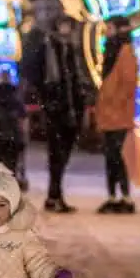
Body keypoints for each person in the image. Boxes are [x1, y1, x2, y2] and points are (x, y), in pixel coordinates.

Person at [34, 16, 92, 213]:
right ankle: (54, 195)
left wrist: (81, 100)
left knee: (64, 155)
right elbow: (39, 77)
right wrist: (48, 100)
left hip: (72, 110)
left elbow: (78, 79)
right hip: (56, 111)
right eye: (63, 25)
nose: (66, 29)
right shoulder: (49, 48)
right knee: (56, 155)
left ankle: (54, 196)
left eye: (69, 25)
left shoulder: (74, 50)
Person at [95, 17, 138, 214]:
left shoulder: (125, 51)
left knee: (115, 155)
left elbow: (128, 83)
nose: (106, 31)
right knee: (110, 156)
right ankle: (113, 196)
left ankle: (125, 197)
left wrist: (114, 101)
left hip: (118, 113)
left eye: (110, 27)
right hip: (109, 112)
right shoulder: (111, 50)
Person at [0, 73, 27, 184]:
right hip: (12, 136)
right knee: (11, 167)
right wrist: (23, 138)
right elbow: (23, 120)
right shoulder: (17, 99)